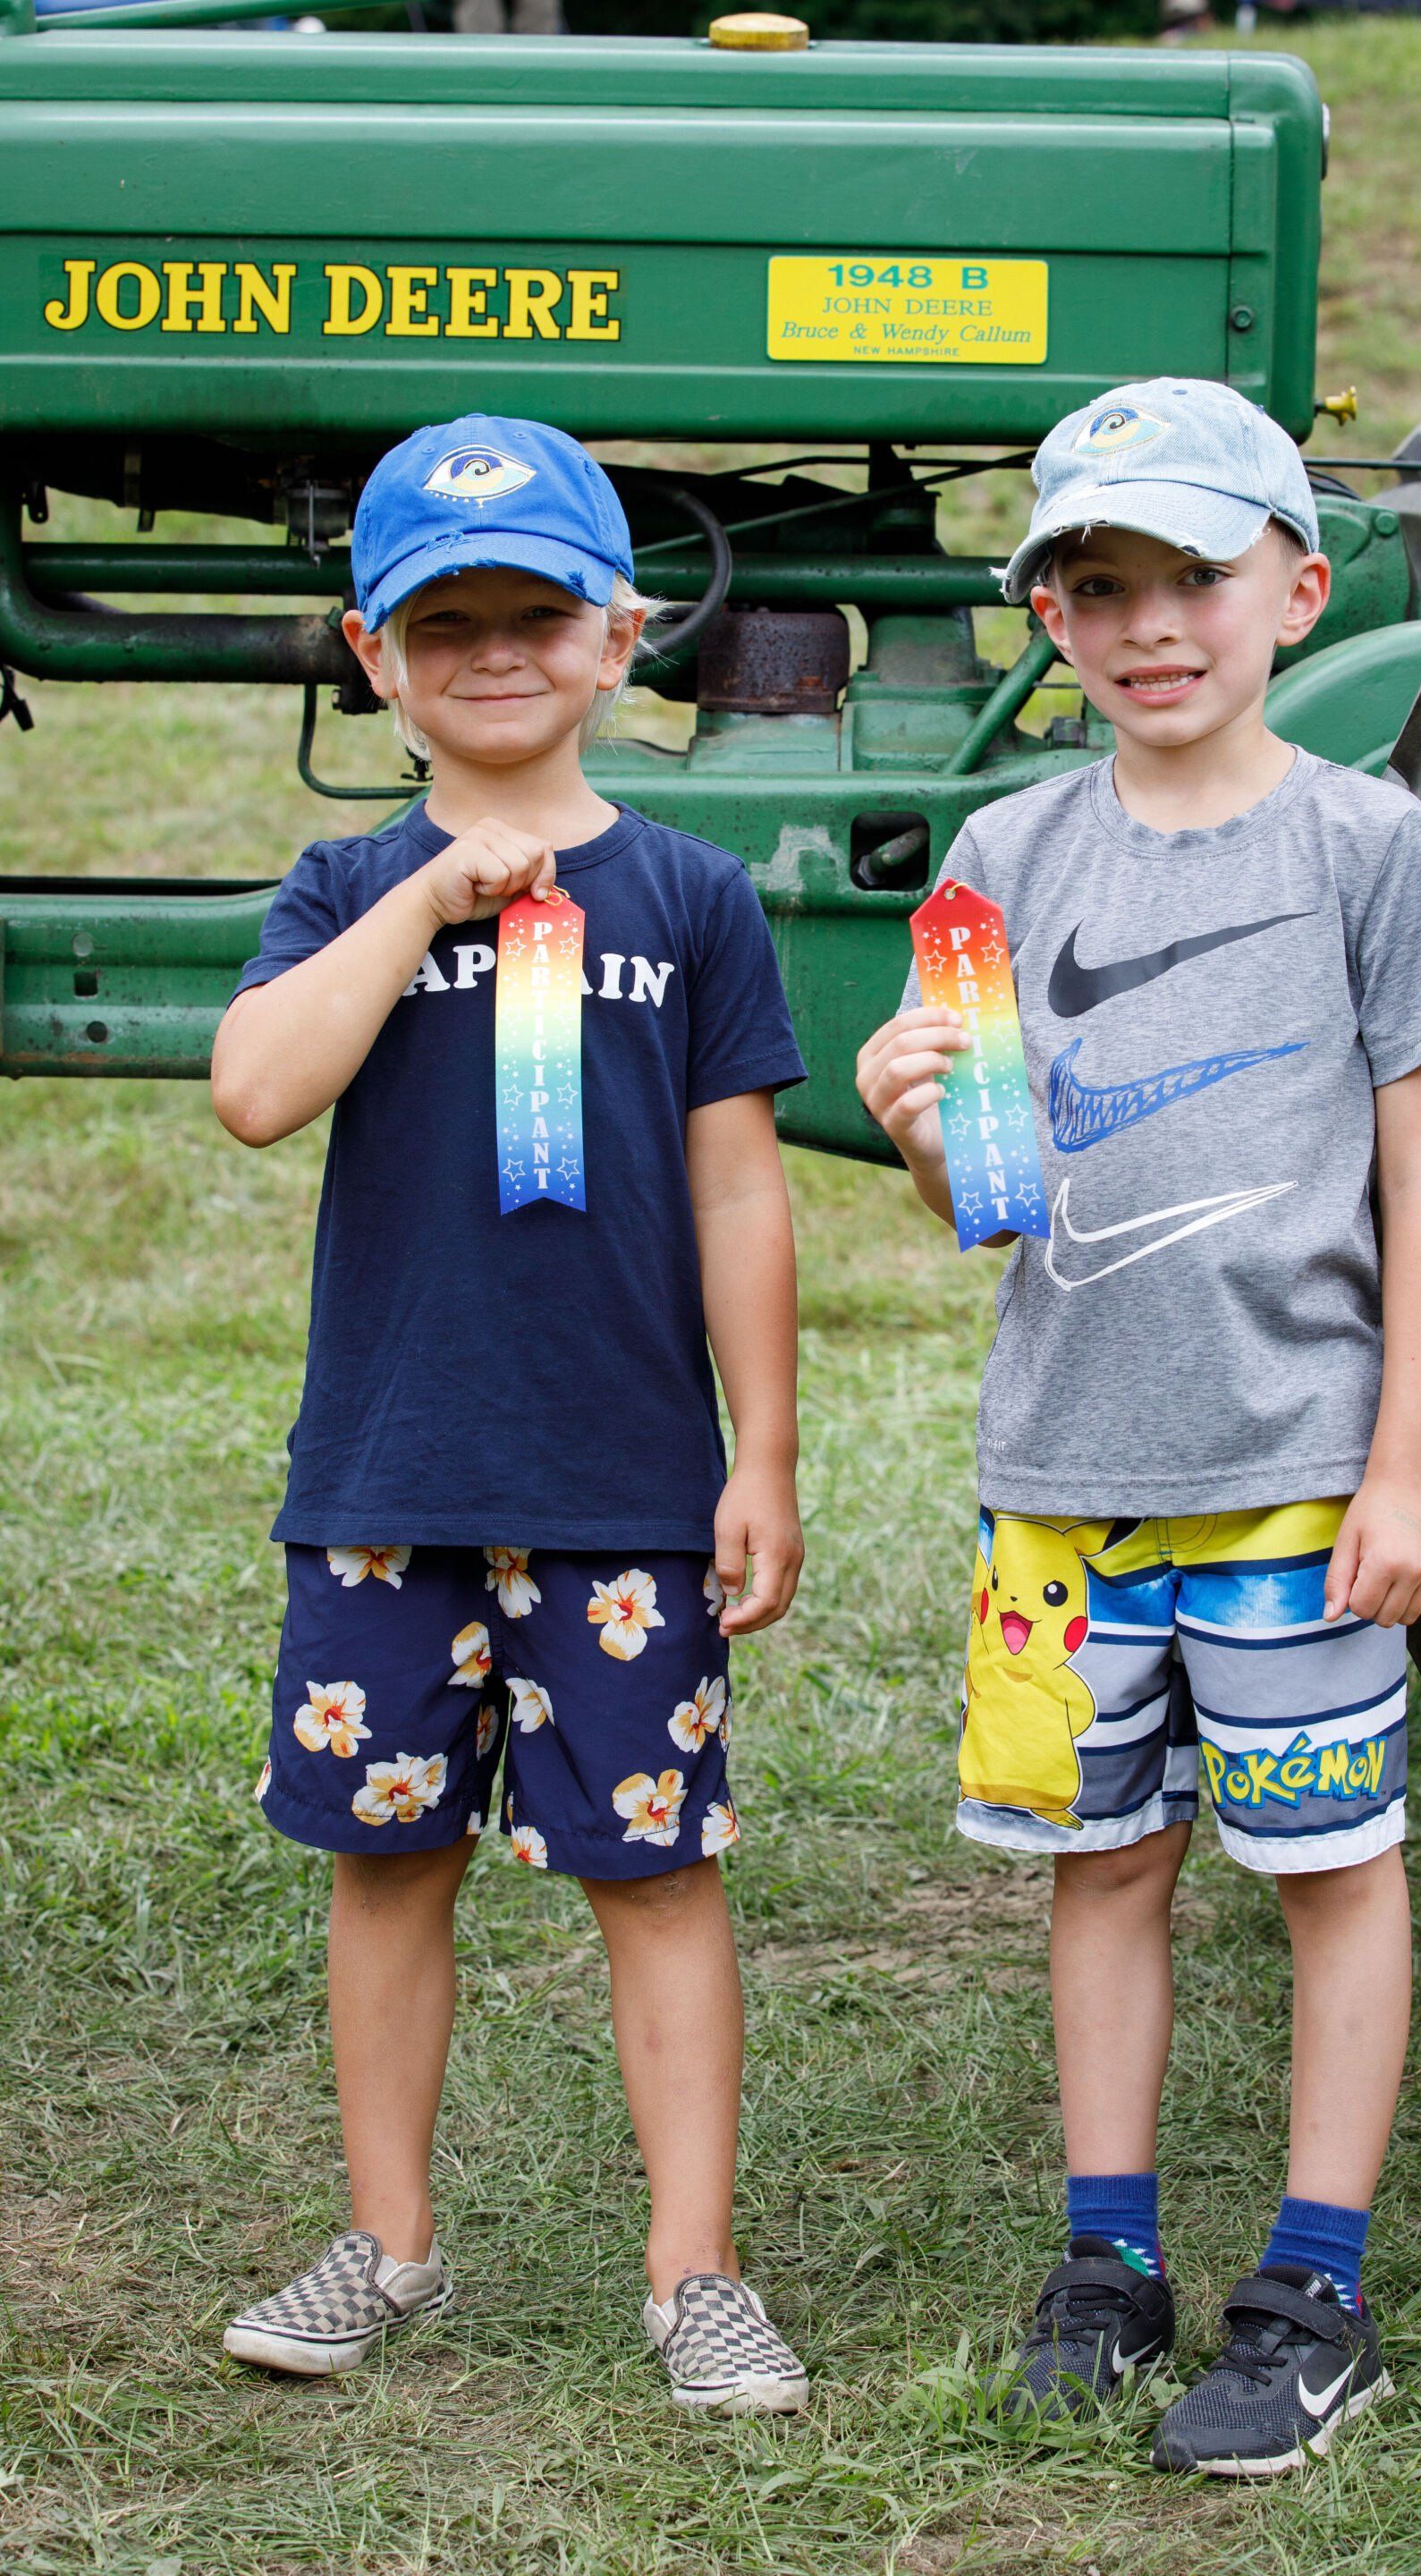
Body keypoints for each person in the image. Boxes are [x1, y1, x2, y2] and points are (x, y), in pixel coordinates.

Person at [856, 377, 1421, 2475]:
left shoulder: (1367, 846)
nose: (1152, 624)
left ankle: (1312, 2284)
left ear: (1298, 591)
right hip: (1062, 1491)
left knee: (1330, 1866)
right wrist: (915, 1132)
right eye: (1100, 585)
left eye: (1196, 578)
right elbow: (989, 1204)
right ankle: (1109, 2261)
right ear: (1050, 617)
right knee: (1104, 1866)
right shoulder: (1001, 857)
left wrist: (1403, 1464)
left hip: (1299, 1476)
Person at [210, 414, 810, 2414]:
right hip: (389, 1485)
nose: (493, 652)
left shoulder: (697, 896)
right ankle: (386, 2248)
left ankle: (695, 2272)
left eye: (536, 614)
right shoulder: (338, 882)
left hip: (627, 1486)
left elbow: (741, 1186)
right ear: (373, 658)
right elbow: (255, 1086)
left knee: (656, 1872)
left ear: (620, 632)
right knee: (386, 1864)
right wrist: (429, 908)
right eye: (440, 621)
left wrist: (766, 1449)